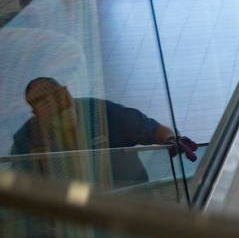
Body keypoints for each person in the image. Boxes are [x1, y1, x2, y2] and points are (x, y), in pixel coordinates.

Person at [9, 77, 198, 187]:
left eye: (59, 100)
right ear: (37, 115)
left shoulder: (98, 111)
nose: (59, 110)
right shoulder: (27, 138)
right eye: (47, 105)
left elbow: (150, 128)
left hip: (127, 195)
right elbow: (17, 181)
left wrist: (172, 139)